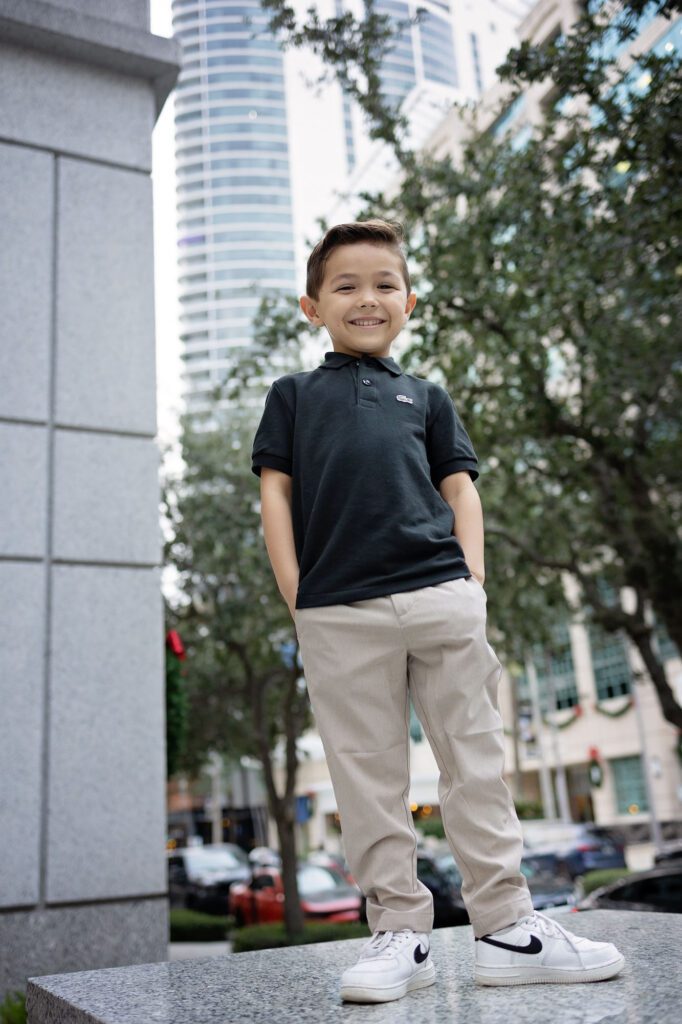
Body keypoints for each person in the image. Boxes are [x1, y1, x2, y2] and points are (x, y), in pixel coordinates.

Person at [250, 219, 625, 1003]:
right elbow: (275, 493)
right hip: (337, 607)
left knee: (477, 760)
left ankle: (508, 928)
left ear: (409, 301)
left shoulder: (424, 395)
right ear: (311, 307)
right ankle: (399, 934)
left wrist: (474, 582)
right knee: (366, 775)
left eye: (384, 283)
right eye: (345, 285)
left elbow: (460, 488)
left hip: (441, 594)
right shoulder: (292, 397)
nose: (367, 297)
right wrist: (297, 595)